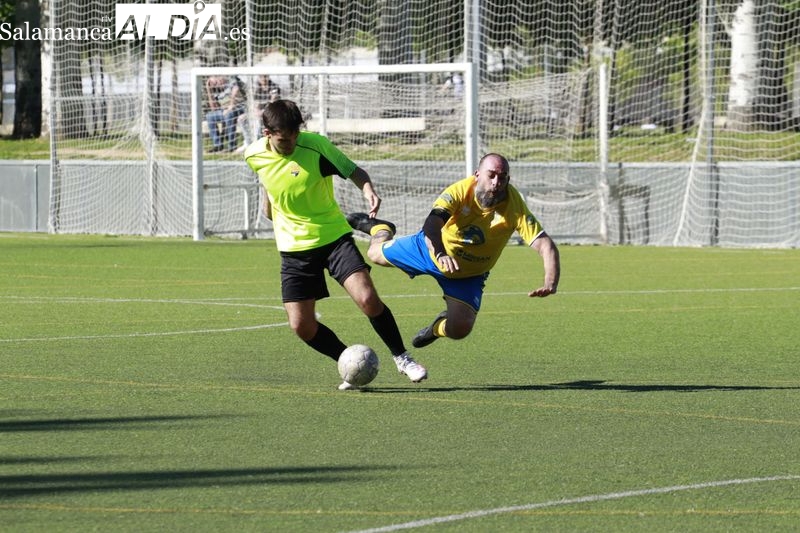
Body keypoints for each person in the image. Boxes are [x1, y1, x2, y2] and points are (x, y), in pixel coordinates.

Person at [243, 99, 428, 390]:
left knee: (367, 299)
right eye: (283, 140)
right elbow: (267, 180)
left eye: (294, 137)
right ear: (268, 134)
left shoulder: (315, 146)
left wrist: (369, 190)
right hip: (293, 248)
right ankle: (349, 363)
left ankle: (402, 358)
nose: (291, 144)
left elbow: (354, 170)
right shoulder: (252, 155)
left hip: (332, 238)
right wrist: (269, 205)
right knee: (301, 327)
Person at [348, 153, 560, 352]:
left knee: (460, 330)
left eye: (502, 177)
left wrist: (550, 283)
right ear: (477, 175)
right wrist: (440, 254)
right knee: (374, 254)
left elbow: (544, 244)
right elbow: (432, 224)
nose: (496, 182)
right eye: (491, 175)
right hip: (429, 250)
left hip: (468, 275)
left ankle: (435, 328)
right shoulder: (460, 191)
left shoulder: (514, 205)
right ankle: (380, 229)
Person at [239, 75, 283, 149]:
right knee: (241, 118)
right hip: (259, 112)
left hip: (272, 111)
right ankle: (248, 142)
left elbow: (272, 103)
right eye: (261, 77)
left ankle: (258, 140)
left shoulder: (274, 87)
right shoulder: (257, 87)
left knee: (260, 118)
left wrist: (262, 111)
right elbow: (255, 103)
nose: (263, 79)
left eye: (265, 77)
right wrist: (256, 110)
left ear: (268, 77)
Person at [206, 75, 247, 152]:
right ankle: (218, 145)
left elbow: (236, 89)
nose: (215, 85)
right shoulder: (216, 90)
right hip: (225, 111)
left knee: (229, 115)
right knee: (210, 116)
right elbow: (214, 108)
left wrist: (231, 105)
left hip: (239, 108)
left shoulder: (231, 80)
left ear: (218, 77)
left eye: (215, 83)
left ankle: (232, 146)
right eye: (213, 85)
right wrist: (209, 90)